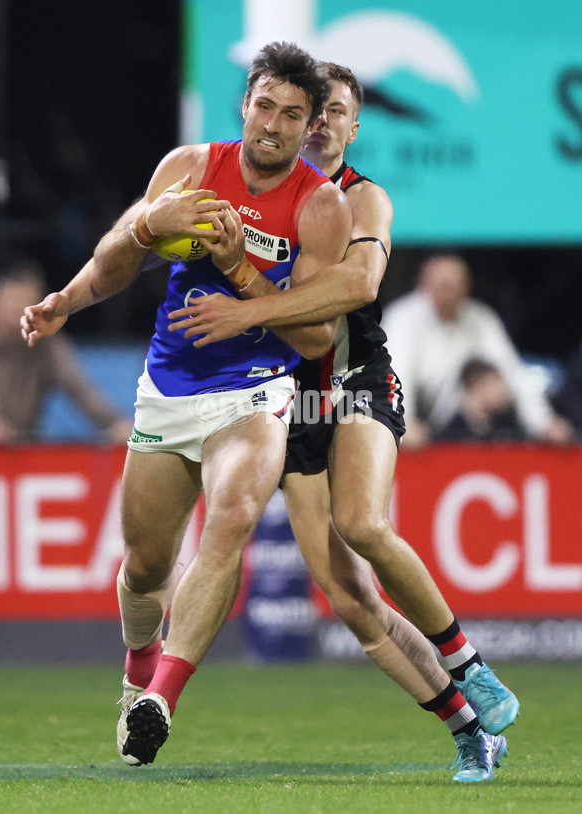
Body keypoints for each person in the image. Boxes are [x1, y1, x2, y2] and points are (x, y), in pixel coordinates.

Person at [169, 63, 514, 782]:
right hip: (283, 399)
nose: (320, 121)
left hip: (354, 380)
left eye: (335, 112)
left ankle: (469, 663)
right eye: (309, 110)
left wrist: (245, 299)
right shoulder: (259, 193)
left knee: (361, 522)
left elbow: (356, 286)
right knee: (352, 601)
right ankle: (469, 727)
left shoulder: (363, 198)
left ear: (354, 128)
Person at [21, 42, 355, 768]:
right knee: (144, 569)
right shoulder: (191, 168)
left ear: (310, 129)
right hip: (169, 390)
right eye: (265, 105)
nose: (273, 124)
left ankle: (160, 698)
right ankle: (139, 667)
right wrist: (75, 293)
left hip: (256, 390)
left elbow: (312, 334)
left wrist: (240, 268)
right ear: (245, 106)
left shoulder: (321, 206)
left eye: (292, 114)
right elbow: (120, 256)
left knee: (231, 520)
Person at [381, 254, 575, 449]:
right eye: (443, 285)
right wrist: (402, 423)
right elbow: (395, 374)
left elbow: (512, 372)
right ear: (423, 285)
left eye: (455, 286)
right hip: (414, 429)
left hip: (460, 431)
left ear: (466, 287)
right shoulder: (402, 318)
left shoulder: (481, 319)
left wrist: (543, 423)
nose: (449, 293)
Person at [0, 260, 130, 443]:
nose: (17, 313)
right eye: (11, 303)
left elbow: (79, 387)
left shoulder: (46, 344)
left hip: (21, 446)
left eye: (25, 304)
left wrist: (114, 423)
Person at [434, 358, 528, 442]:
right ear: (475, 387)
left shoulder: (508, 427)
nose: (503, 390)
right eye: (493, 383)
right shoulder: (450, 435)